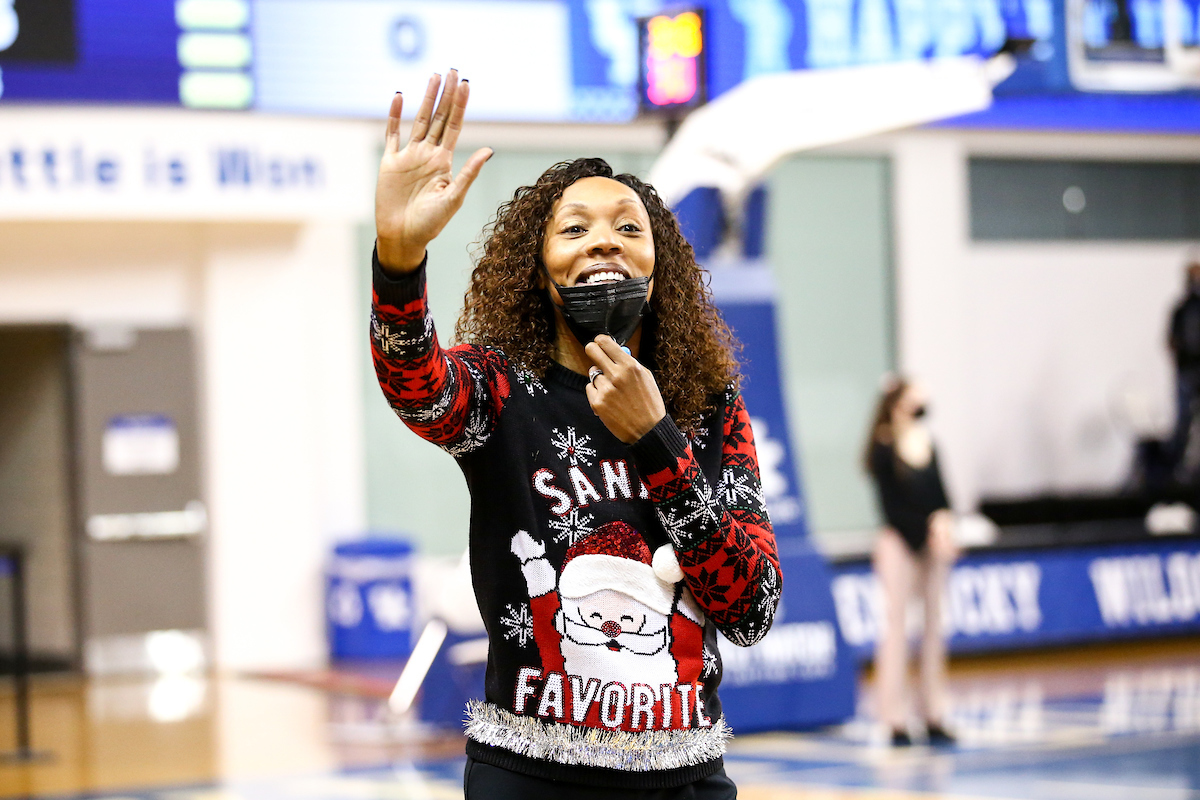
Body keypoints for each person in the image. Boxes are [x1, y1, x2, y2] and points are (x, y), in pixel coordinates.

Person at [370, 71, 781, 798]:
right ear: (537, 267)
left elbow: (751, 607)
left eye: (629, 227)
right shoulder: (499, 388)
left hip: (685, 775)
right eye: (575, 228)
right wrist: (399, 263)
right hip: (530, 776)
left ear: (662, 272)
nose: (603, 243)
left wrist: (657, 439)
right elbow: (417, 386)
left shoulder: (710, 408)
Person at [864, 377, 958, 747]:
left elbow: (941, 493)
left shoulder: (927, 442)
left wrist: (943, 522)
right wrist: (926, 528)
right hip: (899, 541)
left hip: (932, 544)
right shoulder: (884, 445)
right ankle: (895, 718)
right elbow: (892, 506)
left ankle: (934, 712)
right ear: (898, 403)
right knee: (897, 630)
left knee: (935, 628)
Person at [1167, 259, 1200, 481]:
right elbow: (1171, 341)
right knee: (1183, 422)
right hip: (1186, 372)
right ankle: (1174, 470)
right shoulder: (1181, 309)